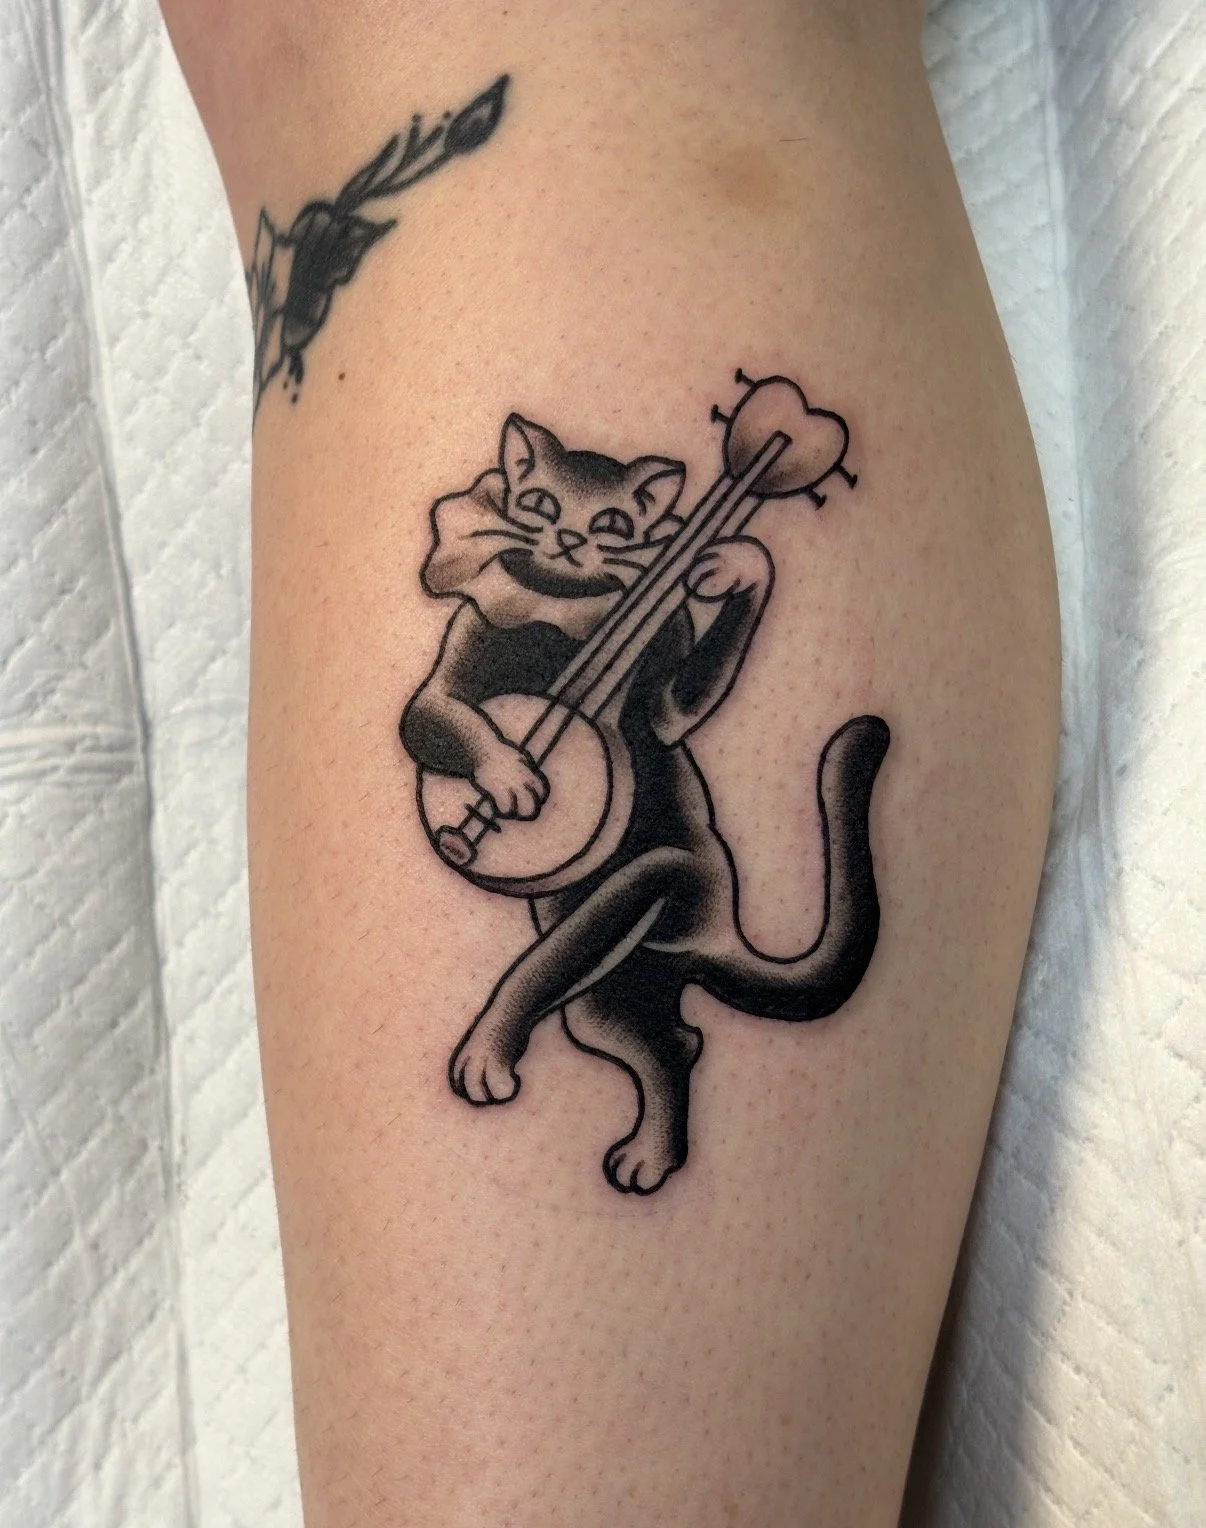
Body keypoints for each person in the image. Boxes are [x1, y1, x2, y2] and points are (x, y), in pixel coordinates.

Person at [160, 1, 1060, 1521]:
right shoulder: (492, 617)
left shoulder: (636, 621)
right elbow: (430, 720)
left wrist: (744, 597)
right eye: (548, 521)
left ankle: (536, 1035)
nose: (573, 552)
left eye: (604, 534)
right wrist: (485, 754)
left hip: (657, 868)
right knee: (622, 1015)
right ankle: (641, 1077)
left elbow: (686, 709)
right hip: (561, 879)